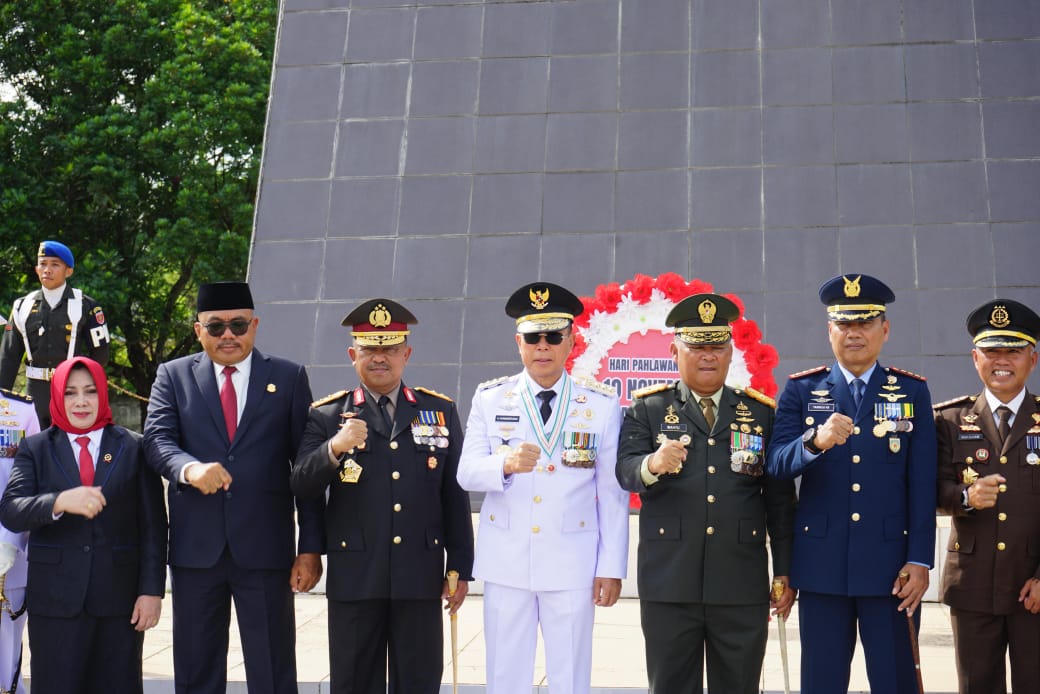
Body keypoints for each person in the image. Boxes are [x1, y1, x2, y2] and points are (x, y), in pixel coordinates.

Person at [143, 281, 324, 694]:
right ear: (198, 330)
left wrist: (310, 547)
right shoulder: (173, 376)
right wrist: (188, 469)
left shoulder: (288, 376)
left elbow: (307, 467)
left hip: (265, 550)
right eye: (217, 326)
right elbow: (157, 441)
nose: (228, 335)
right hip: (196, 551)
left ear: (255, 325)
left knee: (273, 669)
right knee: (196, 669)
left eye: (239, 325)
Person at [765, 274, 937, 694]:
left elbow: (923, 481)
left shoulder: (911, 391)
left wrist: (920, 559)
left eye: (865, 323)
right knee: (822, 682)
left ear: (885, 329)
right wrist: (815, 441)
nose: (854, 333)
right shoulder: (802, 390)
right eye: (844, 324)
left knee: (895, 680)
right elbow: (776, 465)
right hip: (822, 567)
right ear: (829, 330)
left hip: (891, 570)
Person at [292, 298, 474, 694]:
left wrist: (460, 566)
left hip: (420, 573)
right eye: (370, 349)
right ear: (352, 354)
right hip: (356, 574)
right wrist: (334, 449)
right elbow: (301, 485)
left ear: (406, 354)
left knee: (418, 681)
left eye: (389, 348)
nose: (380, 358)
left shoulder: (438, 411)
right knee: (355, 682)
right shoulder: (326, 416)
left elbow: (453, 493)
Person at [616, 293, 796, 694]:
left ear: (731, 352)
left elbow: (780, 501)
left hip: (740, 582)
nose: (708, 356)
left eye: (717, 346)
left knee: (739, 686)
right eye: (697, 346)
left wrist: (784, 569)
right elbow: (625, 472)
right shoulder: (648, 409)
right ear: (674, 350)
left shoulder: (761, 413)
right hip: (669, 582)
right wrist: (652, 464)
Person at [457, 282, 629, 694]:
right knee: (505, 676)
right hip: (507, 560)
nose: (543, 346)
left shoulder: (601, 403)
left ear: (572, 340)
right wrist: (505, 464)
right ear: (519, 342)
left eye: (554, 336)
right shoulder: (491, 398)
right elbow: (466, 473)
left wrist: (611, 566)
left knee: (570, 676)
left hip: (572, 561)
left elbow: (612, 491)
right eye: (533, 337)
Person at [0, 357, 166, 693]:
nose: (80, 401)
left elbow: (153, 527)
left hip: (119, 603)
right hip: (55, 601)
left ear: (102, 394)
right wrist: (58, 502)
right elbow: (11, 510)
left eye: (90, 392)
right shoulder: (36, 448)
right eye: (71, 392)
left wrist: (151, 592)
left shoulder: (133, 447)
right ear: (57, 397)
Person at [935, 298, 1040, 694]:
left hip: (1033, 586)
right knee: (977, 686)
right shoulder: (947, 420)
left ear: (1033, 358)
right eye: (992, 351)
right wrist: (964, 496)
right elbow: (932, 489)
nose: (1002, 361)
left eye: (1013, 351)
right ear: (974, 357)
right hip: (973, 584)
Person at [0, 241, 111, 428]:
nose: (47, 270)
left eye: (55, 264)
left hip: (70, 389)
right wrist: (3, 398)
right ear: (36, 269)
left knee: (70, 447)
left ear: (69, 271)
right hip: (34, 391)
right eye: (43, 264)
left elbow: (100, 354)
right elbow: (8, 357)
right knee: (35, 448)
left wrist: (84, 388)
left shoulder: (86, 305)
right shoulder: (22, 306)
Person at [0, 318, 40, 694]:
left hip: (9, 555)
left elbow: (33, 479)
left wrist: (9, 541)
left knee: (5, 650)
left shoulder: (20, 412)